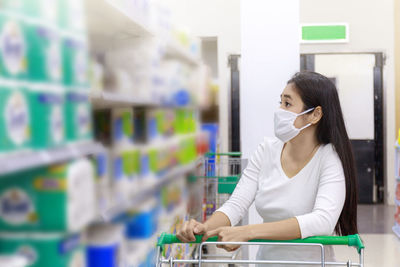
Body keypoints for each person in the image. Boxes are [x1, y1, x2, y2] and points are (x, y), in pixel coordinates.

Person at [177, 71, 358, 266]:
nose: (279, 110)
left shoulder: (329, 158)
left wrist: (247, 231)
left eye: (287, 104)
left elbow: (322, 220)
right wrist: (204, 228)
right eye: (280, 102)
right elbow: (236, 204)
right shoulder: (266, 150)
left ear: (315, 114)